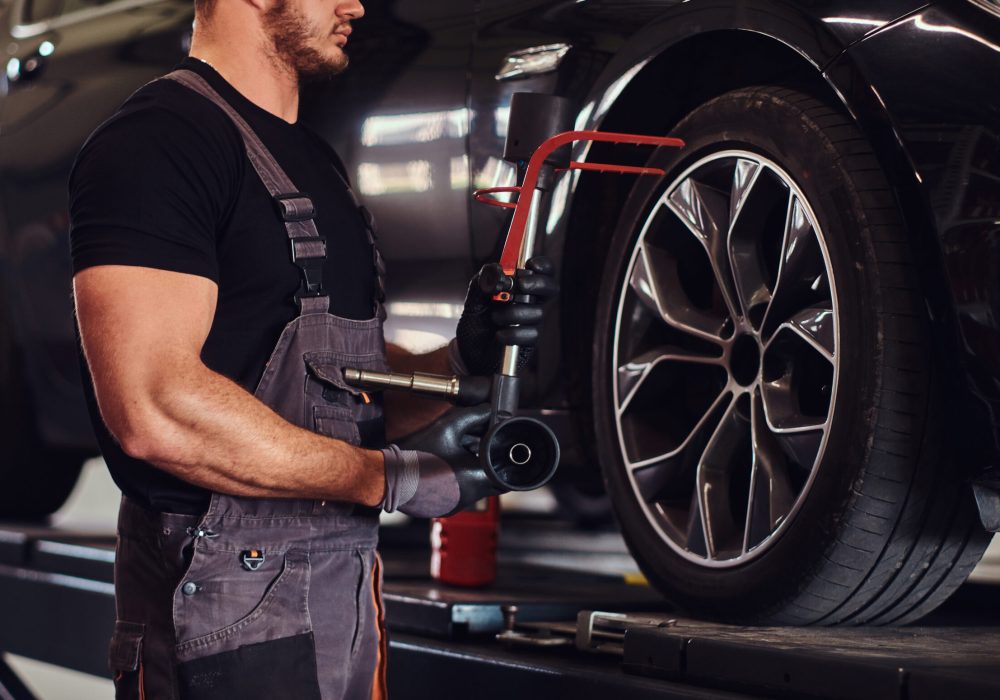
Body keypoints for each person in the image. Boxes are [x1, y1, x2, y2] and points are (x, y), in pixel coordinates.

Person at [68, 0, 556, 698]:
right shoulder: (159, 141)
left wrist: (457, 362)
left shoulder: (313, 161)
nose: (356, 4)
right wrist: (388, 479)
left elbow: (338, 394)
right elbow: (155, 409)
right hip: (223, 599)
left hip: (341, 591)